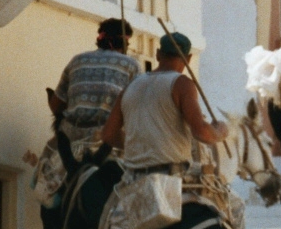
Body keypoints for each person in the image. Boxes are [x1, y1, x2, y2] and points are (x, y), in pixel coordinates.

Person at [30, 19, 139, 206]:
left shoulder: (77, 60)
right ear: (124, 43)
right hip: (108, 139)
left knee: (44, 167)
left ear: (101, 38)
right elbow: (136, 108)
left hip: (71, 139)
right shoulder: (131, 65)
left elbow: (56, 105)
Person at [105, 32, 227, 166]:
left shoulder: (131, 84)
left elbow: (108, 134)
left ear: (158, 54)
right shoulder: (182, 84)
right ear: (189, 58)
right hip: (167, 181)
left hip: (131, 178)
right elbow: (201, 133)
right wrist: (219, 133)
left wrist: (138, 147)